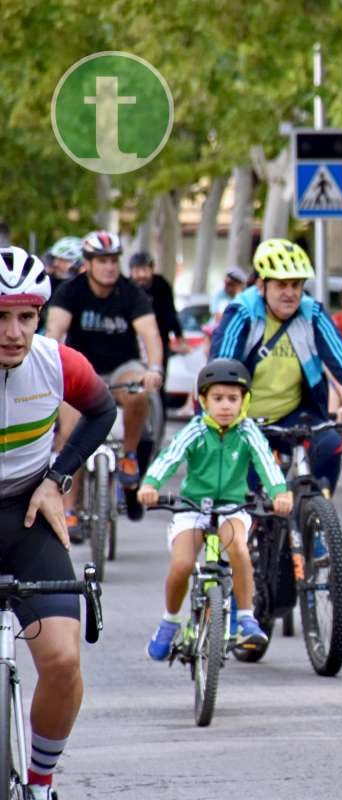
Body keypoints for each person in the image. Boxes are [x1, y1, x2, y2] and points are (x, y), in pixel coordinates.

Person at [0, 246, 116, 800]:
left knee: (65, 659)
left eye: (25, 316)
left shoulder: (55, 361)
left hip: (26, 512)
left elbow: (103, 411)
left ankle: (42, 782)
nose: (14, 332)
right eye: (0, 316)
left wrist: (57, 478)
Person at [138, 359, 293, 660]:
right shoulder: (195, 430)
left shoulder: (248, 432)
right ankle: (169, 622)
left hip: (233, 508)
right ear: (203, 401)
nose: (225, 406)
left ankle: (246, 617)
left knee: (238, 548)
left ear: (244, 401)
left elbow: (267, 464)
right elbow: (170, 457)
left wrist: (280, 493)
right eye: (218, 399)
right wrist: (151, 484)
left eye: (233, 399)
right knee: (182, 564)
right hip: (193, 509)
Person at [210, 238, 342, 493]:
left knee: (329, 446)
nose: (291, 293)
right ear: (262, 285)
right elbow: (220, 370)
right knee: (246, 501)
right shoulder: (242, 312)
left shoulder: (311, 313)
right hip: (243, 418)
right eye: (282, 285)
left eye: (296, 285)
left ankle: (312, 517)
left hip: (293, 414)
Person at [44, 230, 164, 538]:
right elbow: (54, 331)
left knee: (139, 392)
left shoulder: (130, 293)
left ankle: (128, 455)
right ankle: (69, 507)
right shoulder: (71, 291)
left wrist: (154, 368)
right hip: (83, 370)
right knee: (71, 435)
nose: (109, 267)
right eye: (102, 261)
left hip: (122, 368)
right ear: (88, 263)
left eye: (113, 260)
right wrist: (46, 367)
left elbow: (150, 333)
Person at [129, 251, 189, 400]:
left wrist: (179, 336)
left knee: (157, 380)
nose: (141, 275)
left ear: (151, 269)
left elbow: (170, 313)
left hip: (159, 340)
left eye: (145, 270)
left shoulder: (161, 285)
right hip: (132, 343)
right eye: (137, 270)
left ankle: (158, 415)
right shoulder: (126, 287)